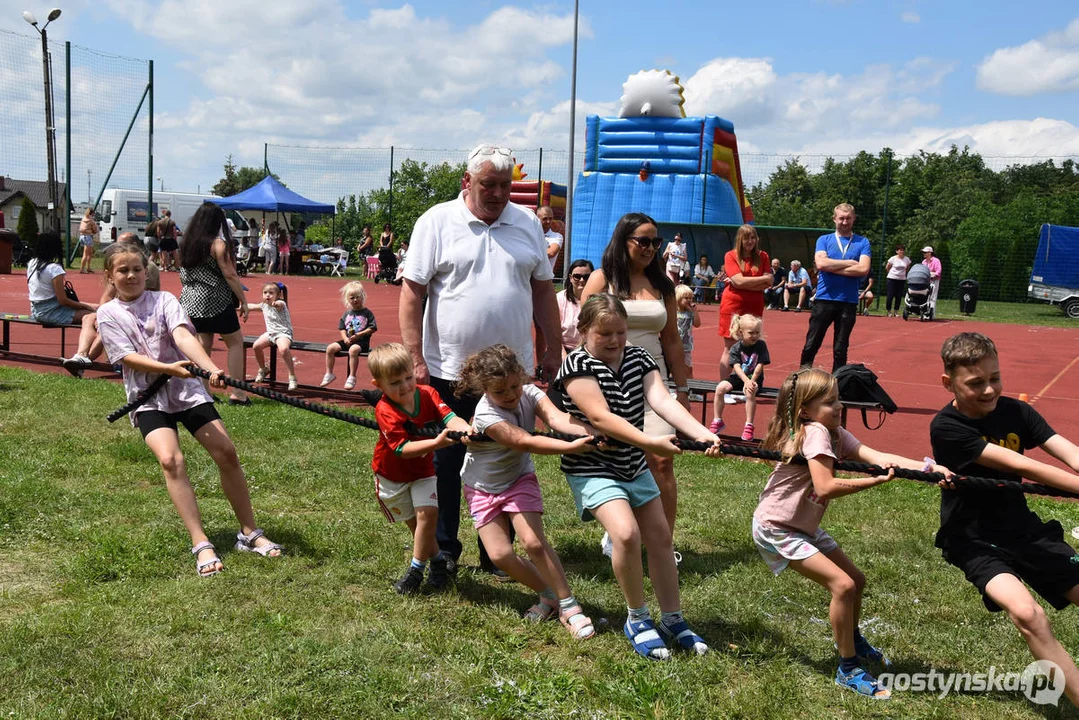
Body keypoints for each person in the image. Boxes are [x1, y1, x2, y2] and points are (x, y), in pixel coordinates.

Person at [399, 142, 562, 578]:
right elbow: (412, 292)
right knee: (447, 460)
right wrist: (416, 359)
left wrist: (553, 348)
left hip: (511, 376)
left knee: (506, 457)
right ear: (467, 182)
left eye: (505, 185)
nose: (498, 193)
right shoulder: (436, 221)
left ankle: (496, 551)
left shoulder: (527, 223)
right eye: (488, 184)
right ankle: (446, 548)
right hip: (448, 369)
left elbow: (544, 291)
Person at [754, 367, 949, 698]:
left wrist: (928, 467)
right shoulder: (815, 431)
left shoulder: (834, 433)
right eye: (830, 402)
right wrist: (872, 481)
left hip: (802, 524)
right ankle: (847, 668)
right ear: (805, 410)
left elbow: (879, 457)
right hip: (778, 527)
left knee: (856, 580)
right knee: (842, 585)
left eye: (838, 399)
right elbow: (825, 486)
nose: (839, 406)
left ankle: (852, 640)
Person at [95, 243, 282, 578]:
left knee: (226, 451)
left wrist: (210, 368)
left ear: (146, 271)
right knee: (171, 460)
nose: (131, 276)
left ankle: (249, 531)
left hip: (186, 390)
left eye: (137, 269)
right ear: (109, 275)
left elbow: (182, 336)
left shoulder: (164, 300)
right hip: (147, 398)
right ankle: (201, 542)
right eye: (122, 270)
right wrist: (167, 369)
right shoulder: (107, 314)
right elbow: (125, 357)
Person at [555, 293, 721, 660]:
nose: (615, 341)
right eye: (605, 334)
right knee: (626, 534)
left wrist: (700, 432)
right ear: (583, 331)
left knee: (661, 537)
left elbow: (661, 400)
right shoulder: (576, 368)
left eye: (620, 332)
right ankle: (638, 618)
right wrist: (650, 441)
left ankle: (673, 619)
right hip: (593, 465)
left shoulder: (639, 357)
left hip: (632, 463)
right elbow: (600, 418)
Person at [930, 332, 1079, 707]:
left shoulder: (1017, 412)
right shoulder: (946, 427)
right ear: (948, 382)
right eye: (975, 383)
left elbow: (1066, 451)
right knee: (1029, 615)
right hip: (973, 539)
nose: (989, 390)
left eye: (994, 378)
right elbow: (1023, 465)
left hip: (1023, 529)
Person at [457, 345, 597, 638]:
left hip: (518, 478)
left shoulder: (529, 392)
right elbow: (524, 441)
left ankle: (569, 606)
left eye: (513, 385)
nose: (510, 395)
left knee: (533, 542)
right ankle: (548, 594)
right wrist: (570, 447)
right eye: (500, 391)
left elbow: (557, 418)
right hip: (481, 487)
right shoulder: (485, 414)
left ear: (520, 377)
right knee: (499, 555)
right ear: (485, 390)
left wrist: (589, 432)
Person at [580, 212, 691, 553]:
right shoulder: (602, 280)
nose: (650, 248)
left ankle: (663, 545)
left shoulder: (663, 285)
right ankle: (620, 532)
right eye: (642, 241)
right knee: (618, 459)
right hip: (608, 381)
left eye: (655, 242)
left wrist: (682, 391)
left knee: (661, 459)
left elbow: (672, 340)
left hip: (653, 382)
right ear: (623, 240)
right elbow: (585, 335)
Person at [369, 342, 472, 594]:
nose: (405, 386)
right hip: (391, 475)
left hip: (423, 470)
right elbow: (401, 449)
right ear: (378, 386)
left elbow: (449, 417)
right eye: (395, 383)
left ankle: (415, 571)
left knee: (428, 515)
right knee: (417, 527)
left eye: (408, 377)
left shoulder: (427, 393)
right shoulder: (385, 409)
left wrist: (466, 429)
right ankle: (438, 563)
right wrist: (436, 443)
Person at [178, 202, 250, 405]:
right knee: (235, 342)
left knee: (203, 343)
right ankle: (239, 392)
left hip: (191, 299)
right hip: (215, 298)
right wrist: (243, 301)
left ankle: (204, 391)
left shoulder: (188, 243)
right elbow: (230, 274)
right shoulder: (218, 244)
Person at [799, 204, 870, 372]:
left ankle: (837, 383)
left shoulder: (863, 242)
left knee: (840, 348)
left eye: (848, 218)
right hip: (824, 299)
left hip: (848, 301)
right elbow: (821, 264)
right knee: (812, 343)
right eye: (841, 218)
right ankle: (801, 377)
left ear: (854, 218)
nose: (844, 222)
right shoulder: (824, 240)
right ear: (834, 219)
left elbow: (863, 269)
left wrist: (833, 267)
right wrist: (850, 264)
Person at [28, 232, 101, 377]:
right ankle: (84, 356)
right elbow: (63, 300)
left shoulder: (32, 263)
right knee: (93, 316)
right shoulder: (54, 269)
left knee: (99, 307)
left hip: (37, 310)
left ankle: (82, 358)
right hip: (52, 312)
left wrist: (85, 305)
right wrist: (84, 306)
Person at [718, 224, 772, 381]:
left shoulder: (763, 256)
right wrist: (758, 280)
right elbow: (739, 281)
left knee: (753, 345)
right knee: (729, 347)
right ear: (740, 239)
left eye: (753, 237)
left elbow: (768, 282)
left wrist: (740, 282)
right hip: (733, 306)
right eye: (746, 238)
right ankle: (724, 387)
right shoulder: (730, 256)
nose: (750, 241)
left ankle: (749, 384)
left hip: (754, 306)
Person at [709, 314, 769, 440]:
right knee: (720, 388)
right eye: (751, 333)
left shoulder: (761, 345)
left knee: (749, 391)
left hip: (754, 378)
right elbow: (736, 367)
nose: (755, 336)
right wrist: (745, 380)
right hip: (739, 377)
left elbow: (760, 365)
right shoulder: (736, 347)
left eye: (757, 332)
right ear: (741, 332)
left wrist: (751, 381)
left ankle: (749, 425)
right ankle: (717, 420)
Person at [322, 281, 377, 390]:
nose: (355, 300)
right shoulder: (347, 314)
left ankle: (352, 376)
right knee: (330, 348)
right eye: (352, 298)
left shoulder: (367, 313)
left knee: (353, 350)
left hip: (361, 342)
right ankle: (329, 373)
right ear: (347, 299)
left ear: (363, 296)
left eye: (358, 297)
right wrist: (345, 338)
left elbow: (373, 328)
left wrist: (359, 335)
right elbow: (342, 328)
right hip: (348, 340)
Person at [247, 282, 297, 391]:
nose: (268, 295)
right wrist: (240, 307)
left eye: (271, 293)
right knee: (256, 346)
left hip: (283, 333)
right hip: (271, 334)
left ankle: (292, 377)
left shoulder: (281, 304)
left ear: (278, 295)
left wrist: (276, 304)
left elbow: (279, 304)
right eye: (265, 293)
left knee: (283, 349)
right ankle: (263, 369)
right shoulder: (264, 305)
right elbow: (251, 306)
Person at [556, 259, 593, 357]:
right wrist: (564, 357)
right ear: (570, 278)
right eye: (577, 276)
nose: (582, 280)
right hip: (564, 350)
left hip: (591, 351)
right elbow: (554, 333)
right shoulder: (560, 299)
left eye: (586, 277)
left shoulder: (598, 299)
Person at [674, 285, 700, 379]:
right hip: (674, 345)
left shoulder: (690, 312)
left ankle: (690, 388)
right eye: (686, 298)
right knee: (673, 367)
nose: (689, 300)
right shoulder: (673, 311)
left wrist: (695, 312)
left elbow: (697, 324)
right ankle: (673, 388)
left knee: (688, 368)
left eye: (691, 298)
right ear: (678, 298)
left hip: (686, 345)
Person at [883, 245, 911, 317]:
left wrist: (903, 274)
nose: (901, 251)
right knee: (890, 295)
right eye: (899, 250)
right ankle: (889, 311)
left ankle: (896, 311)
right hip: (892, 279)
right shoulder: (893, 258)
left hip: (901, 280)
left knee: (898, 296)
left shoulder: (907, 259)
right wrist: (892, 274)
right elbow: (887, 267)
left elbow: (907, 268)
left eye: (902, 250)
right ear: (896, 251)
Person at [536, 206, 563, 273]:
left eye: (550, 218)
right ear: (537, 218)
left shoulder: (557, 236)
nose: (548, 221)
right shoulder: (530, 234)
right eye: (545, 219)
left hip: (544, 278)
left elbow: (551, 253)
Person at [78, 207, 99, 274]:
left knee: (90, 253)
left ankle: (88, 268)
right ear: (92, 213)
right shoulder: (91, 220)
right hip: (88, 237)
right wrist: (93, 232)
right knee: (86, 254)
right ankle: (82, 269)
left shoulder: (83, 218)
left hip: (82, 236)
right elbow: (95, 229)